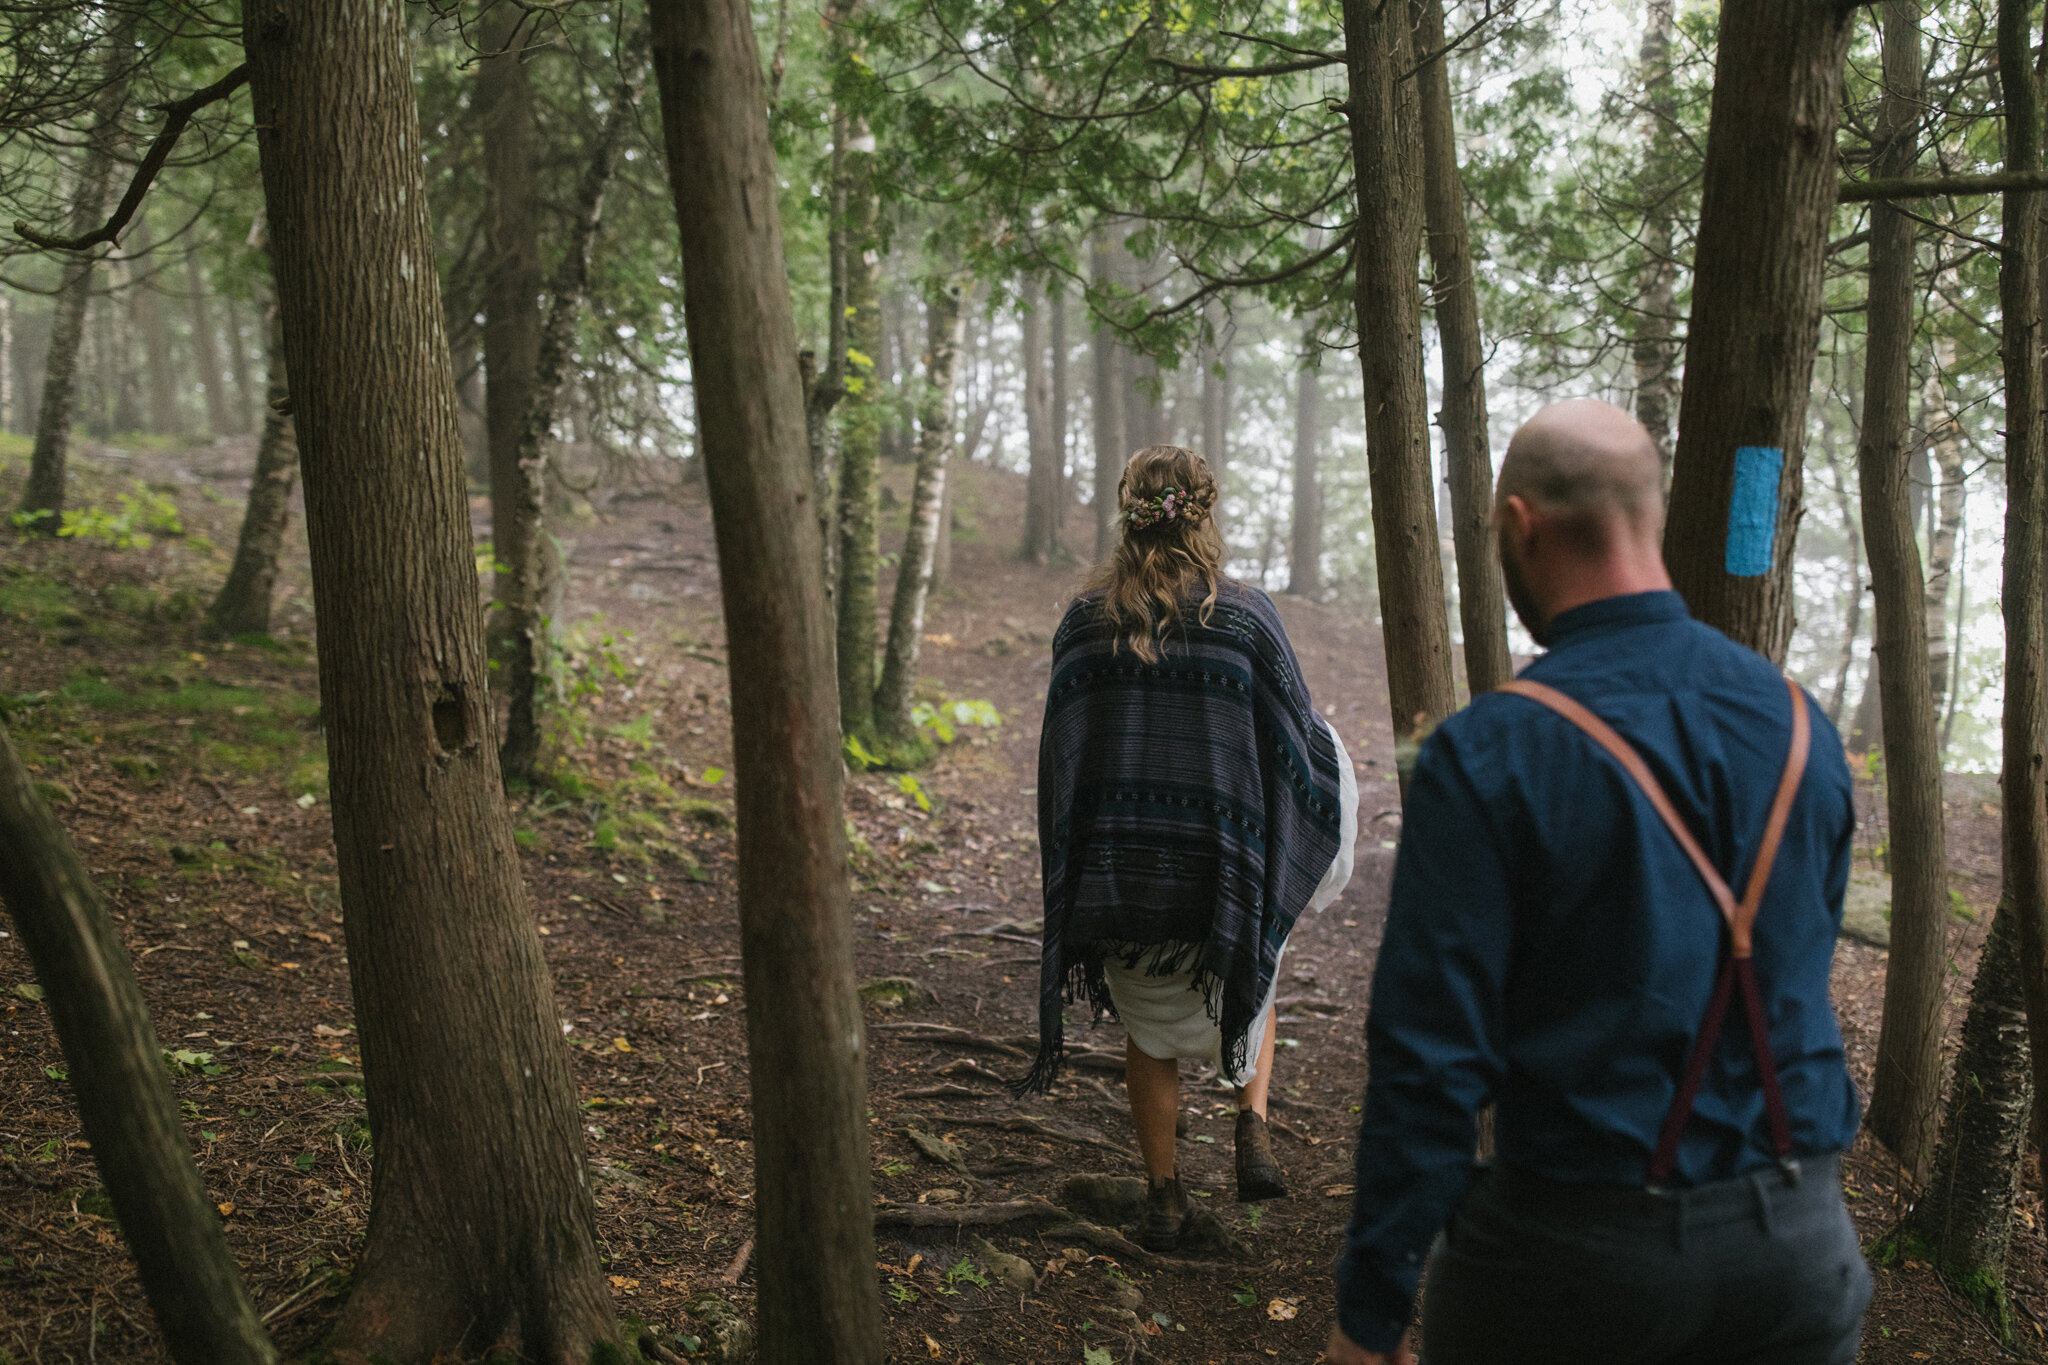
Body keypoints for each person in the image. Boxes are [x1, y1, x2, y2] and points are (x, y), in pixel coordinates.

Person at [1327, 400, 1869, 1364]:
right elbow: (1799, 966)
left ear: (1520, 524)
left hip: (1570, 1265)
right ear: (1650, 517)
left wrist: (1371, 1314)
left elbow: (1429, 1062)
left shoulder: (1491, 751)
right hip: (1798, 1255)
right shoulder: (1800, 727)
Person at [1021, 444, 1358, 1252]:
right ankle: (1252, 1125)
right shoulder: (1245, 616)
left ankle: (1165, 1199)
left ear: (1127, 513)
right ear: (1203, 515)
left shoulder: (1085, 621)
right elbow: (1298, 741)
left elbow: (1063, 755)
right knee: (1256, 962)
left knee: (1149, 1034)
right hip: (1223, 875)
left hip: (1122, 881)